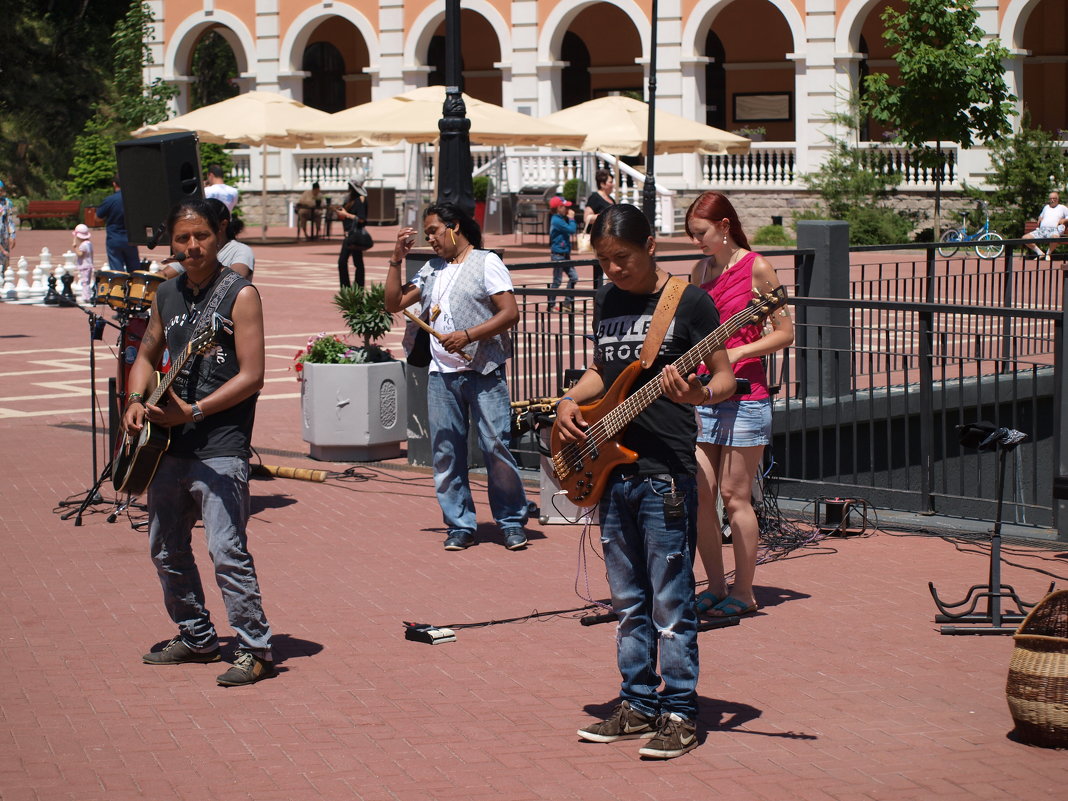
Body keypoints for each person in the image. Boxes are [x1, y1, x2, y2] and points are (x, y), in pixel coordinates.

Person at [558, 204, 736, 759]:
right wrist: (569, 399)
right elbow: (603, 371)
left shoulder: (690, 303)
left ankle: (681, 711)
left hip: (664, 473)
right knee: (628, 601)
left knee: (672, 600)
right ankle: (637, 704)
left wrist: (697, 394)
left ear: (651, 245)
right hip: (612, 471)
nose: (613, 271)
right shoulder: (608, 299)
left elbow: (726, 377)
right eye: (605, 262)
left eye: (622, 259)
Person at [122, 197, 274, 687]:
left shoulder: (240, 294)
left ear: (219, 235)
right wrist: (134, 398)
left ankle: (255, 647)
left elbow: (253, 376)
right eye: (182, 239)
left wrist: (197, 410)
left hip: (221, 443)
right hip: (169, 443)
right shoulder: (167, 293)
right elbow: (147, 354)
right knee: (166, 547)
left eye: (201, 237)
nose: (192, 247)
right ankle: (197, 636)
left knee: (226, 550)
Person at [385, 202, 530, 552]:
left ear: (455, 227)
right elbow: (393, 303)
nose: (430, 239)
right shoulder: (432, 269)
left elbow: (511, 313)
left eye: (434, 231)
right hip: (442, 376)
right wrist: (395, 259)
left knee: (496, 447)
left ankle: (511, 520)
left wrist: (468, 335)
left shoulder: (486, 262)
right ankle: (460, 524)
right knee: (446, 451)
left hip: (484, 370)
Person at [685, 191, 794, 619]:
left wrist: (734, 355)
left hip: (747, 397)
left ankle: (744, 590)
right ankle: (713, 585)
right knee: (700, 495)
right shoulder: (699, 270)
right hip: (706, 396)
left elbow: (785, 333)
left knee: (735, 498)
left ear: (725, 227)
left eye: (702, 234)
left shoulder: (758, 267)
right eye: (693, 235)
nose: (697, 243)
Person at [160, 199, 253, 280]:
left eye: (201, 235)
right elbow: (162, 276)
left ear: (222, 225)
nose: (193, 245)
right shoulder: (190, 254)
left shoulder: (241, 250)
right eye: (184, 237)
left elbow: (236, 278)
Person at [94, 176, 140, 272]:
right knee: (134, 270)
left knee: (117, 271)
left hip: (114, 237)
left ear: (114, 184)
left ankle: (119, 286)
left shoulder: (110, 200)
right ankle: (136, 287)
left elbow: (97, 218)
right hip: (131, 238)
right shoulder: (133, 199)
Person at [335, 180, 369, 288]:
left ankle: (356, 288)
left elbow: (361, 219)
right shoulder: (350, 200)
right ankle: (348, 289)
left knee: (350, 262)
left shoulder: (360, 200)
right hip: (348, 234)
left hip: (355, 235)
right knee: (347, 262)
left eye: (349, 186)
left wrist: (346, 214)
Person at [548, 195, 578, 311]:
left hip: (565, 254)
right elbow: (571, 230)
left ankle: (567, 302)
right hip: (558, 255)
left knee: (574, 277)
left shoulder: (560, 219)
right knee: (557, 281)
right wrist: (571, 218)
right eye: (564, 207)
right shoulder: (556, 220)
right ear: (558, 208)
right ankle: (551, 305)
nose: (567, 209)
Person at [1022, 190, 1068, 261]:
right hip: (1042, 230)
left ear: (1057, 199)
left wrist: (1064, 220)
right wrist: (1040, 218)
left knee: (1055, 238)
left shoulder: (1062, 208)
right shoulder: (1046, 207)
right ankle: (1040, 253)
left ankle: (1048, 254)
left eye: (1054, 198)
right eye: (1051, 199)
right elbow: (1041, 216)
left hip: (1053, 230)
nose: (1052, 200)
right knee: (1025, 238)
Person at [71, 223, 94, 303]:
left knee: (85, 282)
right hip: (89, 265)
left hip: (85, 266)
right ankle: (87, 295)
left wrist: (75, 247)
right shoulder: (89, 243)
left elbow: (80, 254)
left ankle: (86, 297)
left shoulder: (83, 245)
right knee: (86, 281)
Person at [0, 179, 16, 277]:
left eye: (1, 190)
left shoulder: (6, 203)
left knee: (4, 261)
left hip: (4, 236)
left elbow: (9, 220)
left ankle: (4, 284)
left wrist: (12, 235)